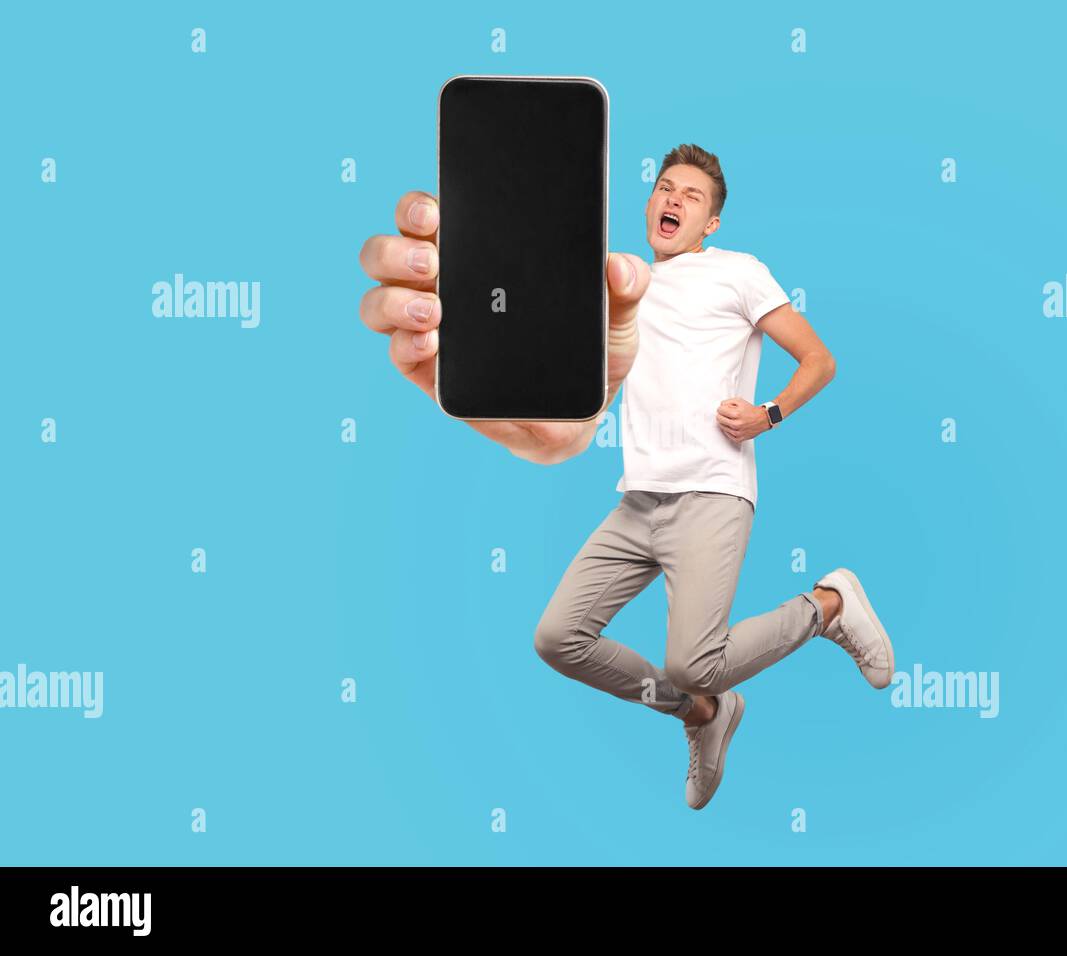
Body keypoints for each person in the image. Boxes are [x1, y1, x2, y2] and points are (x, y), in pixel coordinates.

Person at [358, 144, 895, 810]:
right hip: (639, 500)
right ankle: (703, 716)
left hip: (711, 490)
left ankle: (829, 605)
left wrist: (767, 413)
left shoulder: (738, 272)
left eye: (691, 196)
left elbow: (819, 359)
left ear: (712, 224)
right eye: (664, 188)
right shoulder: (619, 282)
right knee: (558, 639)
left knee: (692, 662)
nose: (672, 200)